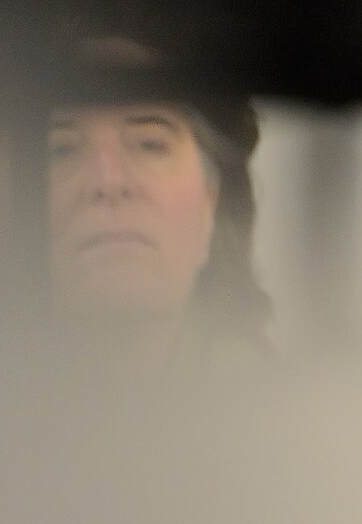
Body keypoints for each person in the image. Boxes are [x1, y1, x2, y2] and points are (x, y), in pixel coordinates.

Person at [44, 24, 272, 380]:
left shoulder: (279, 417)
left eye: (150, 144)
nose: (108, 182)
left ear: (212, 203)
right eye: (61, 150)